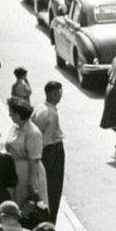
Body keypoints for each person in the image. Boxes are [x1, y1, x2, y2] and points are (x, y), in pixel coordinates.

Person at [32, 81, 65, 222]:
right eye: (58, 93)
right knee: (54, 188)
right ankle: (51, 222)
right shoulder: (51, 113)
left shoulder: (40, 108)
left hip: (44, 151)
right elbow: (47, 138)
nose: (60, 96)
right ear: (51, 93)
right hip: (52, 151)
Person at [6, 97, 48, 207]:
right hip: (16, 171)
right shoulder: (15, 127)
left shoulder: (33, 132)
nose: (9, 115)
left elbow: (34, 160)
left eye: (11, 112)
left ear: (18, 114)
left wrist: (32, 183)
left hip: (27, 172)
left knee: (27, 206)